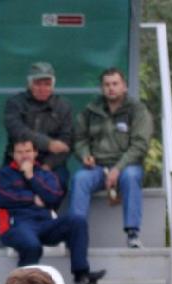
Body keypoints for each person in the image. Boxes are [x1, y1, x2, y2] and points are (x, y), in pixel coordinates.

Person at [0, 137, 106, 284]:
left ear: (35, 153)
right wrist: (33, 198)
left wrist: (31, 177)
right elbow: (1, 197)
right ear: (13, 155)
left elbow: (54, 196)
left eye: (28, 151)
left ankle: (81, 275)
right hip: (16, 225)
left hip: (44, 224)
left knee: (77, 221)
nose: (24, 156)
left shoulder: (45, 174)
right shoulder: (4, 174)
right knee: (32, 246)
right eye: (19, 152)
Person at [69, 67, 152, 249]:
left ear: (124, 86)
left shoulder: (137, 110)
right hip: (97, 167)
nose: (111, 88)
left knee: (131, 177)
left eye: (115, 84)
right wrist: (85, 155)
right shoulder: (91, 110)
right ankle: (76, 233)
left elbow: (140, 145)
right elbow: (79, 139)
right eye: (107, 84)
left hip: (126, 165)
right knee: (80, 179)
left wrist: (118, 168)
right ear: (102, 88)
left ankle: (132, 233)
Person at [3, 61, 74, 200]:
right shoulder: (15, 103)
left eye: (47, 84)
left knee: (58, 185)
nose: (42, 88)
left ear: (53, 86)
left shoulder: (64, 106)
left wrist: (48, 165)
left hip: (52, 161)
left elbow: (67, 143)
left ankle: (49, 217)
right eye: (37, 83)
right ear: (29, 84)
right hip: (18, 158)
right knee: (7, 186)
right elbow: (17, 130)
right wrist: (48, 144)